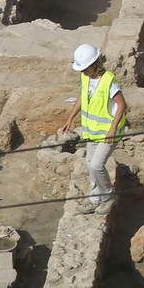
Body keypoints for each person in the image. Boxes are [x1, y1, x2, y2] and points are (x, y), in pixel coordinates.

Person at [57, 43, 127, 213]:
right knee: (90, 163)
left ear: (95, 64)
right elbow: (83, 96)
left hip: (109, 132)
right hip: (93, 131)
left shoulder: (109, 81)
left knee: (96, 165)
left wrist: (112, 129)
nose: (82, 71)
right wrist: (70, 118)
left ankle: (109, 196)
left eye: (84, 68)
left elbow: (122, 105)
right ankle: (95, 199)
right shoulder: (86, 77)